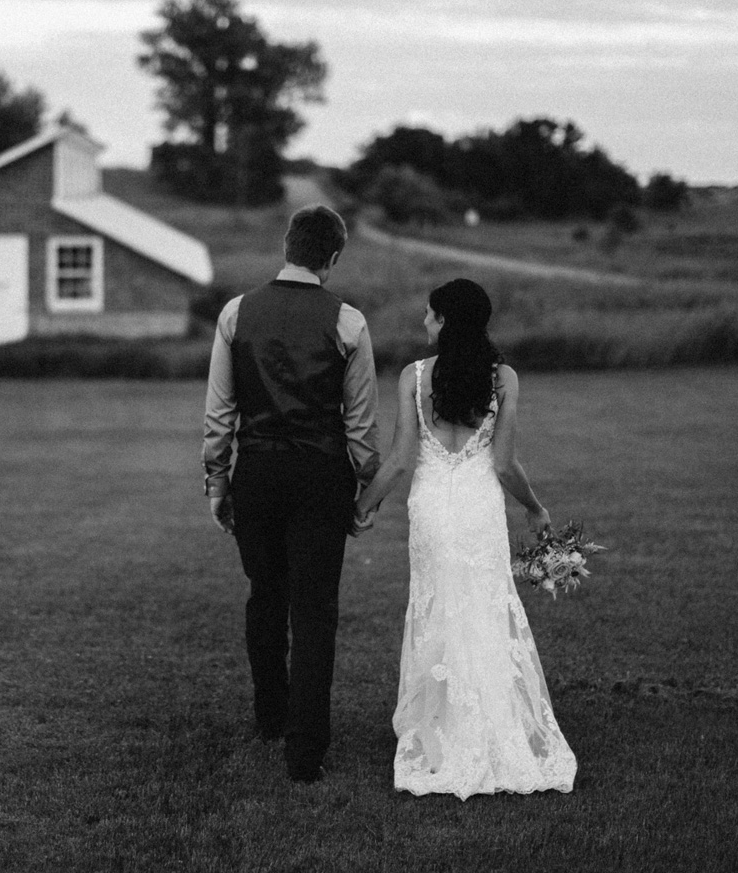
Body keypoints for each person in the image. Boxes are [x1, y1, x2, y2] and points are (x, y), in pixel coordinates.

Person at [353, 278, 576, 798]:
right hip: (478, 508)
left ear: (447, 321)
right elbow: (503, 463)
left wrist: (362, 506)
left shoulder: (414, 376)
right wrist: (535, 508)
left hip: (431, 508)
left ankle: (442, 734)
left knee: (436, 611)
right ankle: (491, 729)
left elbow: (402, 459)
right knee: (483, 609)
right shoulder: (504, 379)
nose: (425, 324)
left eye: (431, 315)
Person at [202, 204, 380, 783]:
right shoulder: (348, 321)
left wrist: (216, 480)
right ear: (332, 258)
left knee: (265, 595)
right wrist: (365, 491)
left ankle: (271, 717)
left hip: (256, 473)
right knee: (314, 611)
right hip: (321, 476)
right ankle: (305, 750)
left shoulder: (235, 313)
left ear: (286, 246)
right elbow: (360, 427)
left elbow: (220, 411)